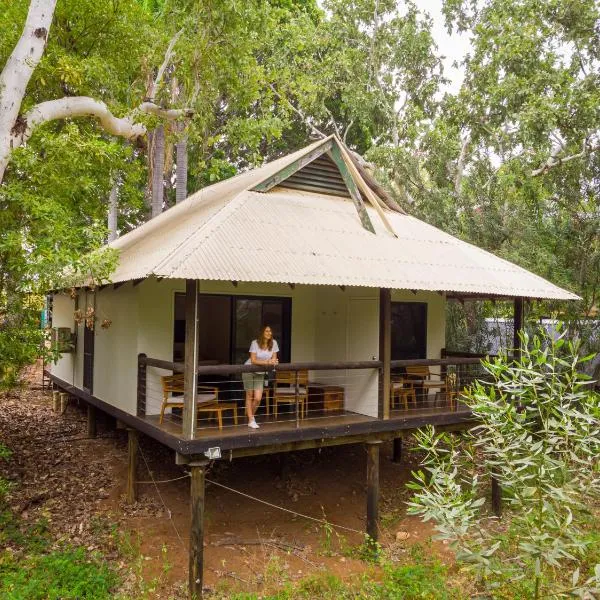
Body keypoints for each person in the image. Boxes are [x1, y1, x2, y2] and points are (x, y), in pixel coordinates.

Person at [242, 325, 279, 428]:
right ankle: (251, 420)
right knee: (250, 395)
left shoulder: (274, 343)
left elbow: (274, 359)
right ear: (262, 332)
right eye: (267, 331)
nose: (269, 333)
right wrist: (268, 362)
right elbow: (253, 360)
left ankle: (250, 415)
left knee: (258, 398)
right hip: (249, 369)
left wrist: (274, 361)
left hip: (261, 372)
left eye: (270, 331)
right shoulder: (255, 343)